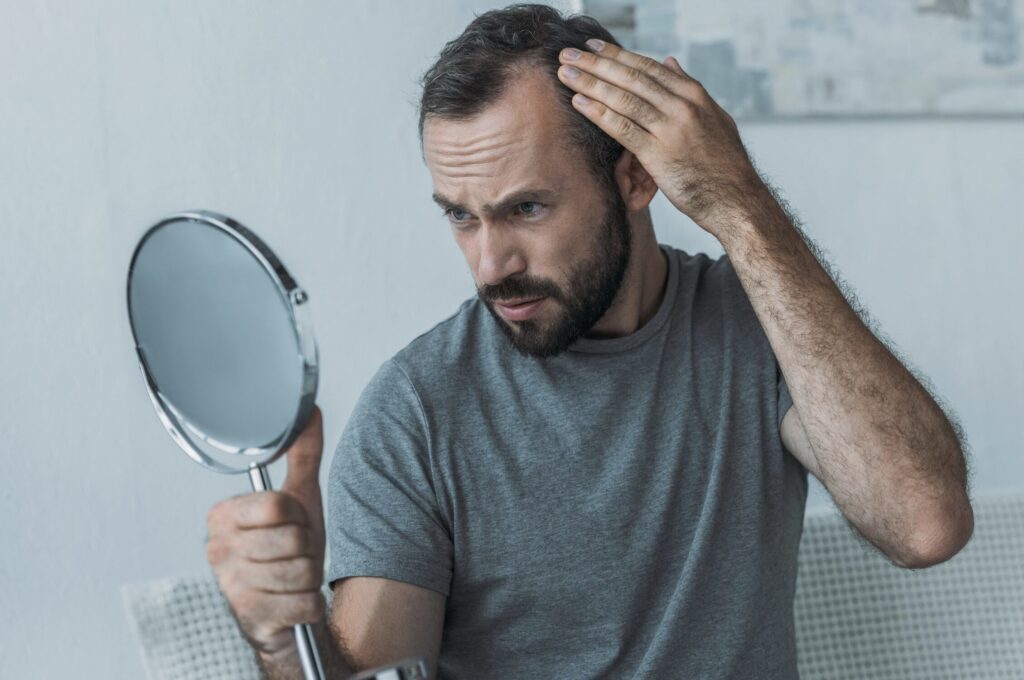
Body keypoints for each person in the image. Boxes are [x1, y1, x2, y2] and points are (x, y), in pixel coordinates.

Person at [204, 4, 974, 678]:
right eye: (461, 215)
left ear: (636, 180)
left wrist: (740, 204)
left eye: (527, 208)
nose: (489, 264)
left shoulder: (757, 327)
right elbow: (374, 673)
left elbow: (925, 524)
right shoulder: (416, 410)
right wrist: (284, 639)